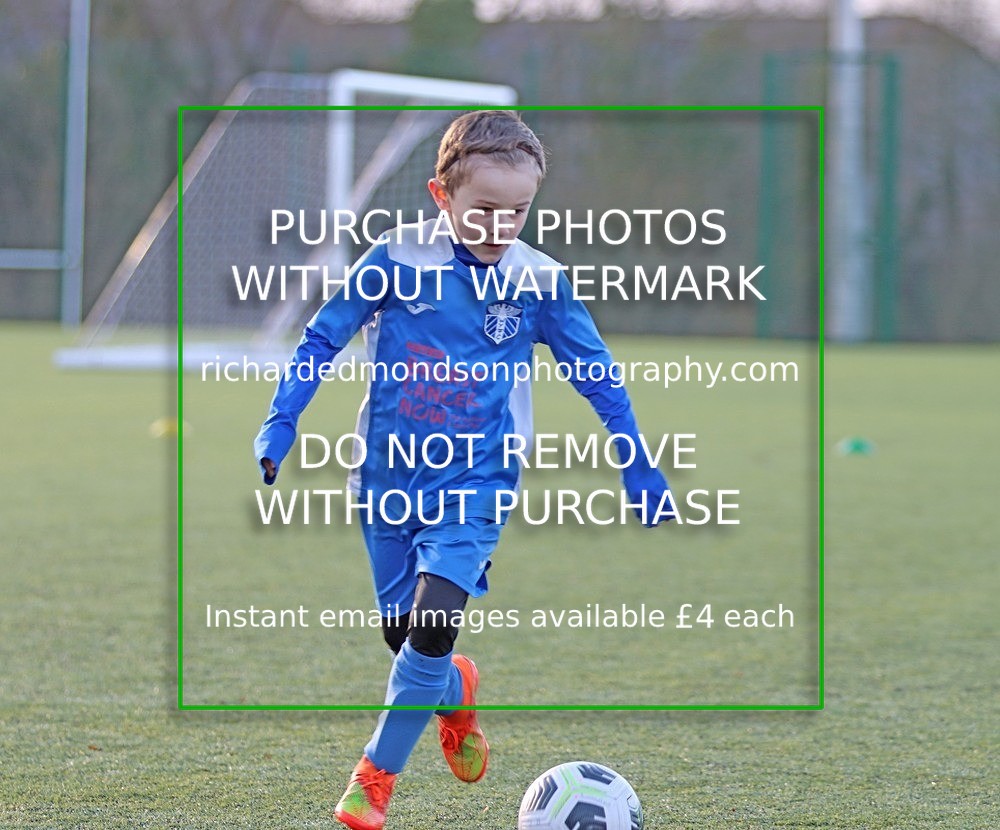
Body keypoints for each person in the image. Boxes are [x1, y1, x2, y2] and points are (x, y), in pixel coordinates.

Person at [253, 110, 672, 830]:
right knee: (405, 636)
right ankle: (455, 691)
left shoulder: (539, 281)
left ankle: (372, 779)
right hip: (385, 479)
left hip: (477, 481)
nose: (502, 225)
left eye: (519, 211)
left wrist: (636, 460)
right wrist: (282, 419)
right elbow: (323, 336)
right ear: (439, 196)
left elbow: (596, 375)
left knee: (433, 621)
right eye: (485, 208)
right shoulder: (395, 259)